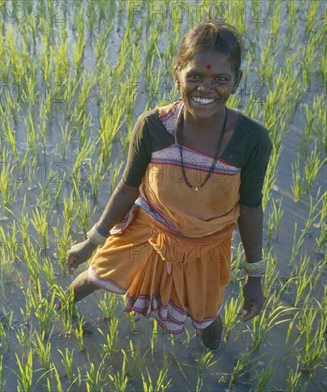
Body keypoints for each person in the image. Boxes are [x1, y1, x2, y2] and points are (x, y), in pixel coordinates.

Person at [66, 20, 271, 350]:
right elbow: (128, 188)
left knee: (206, 315)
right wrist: (91, 241)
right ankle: (58, 308)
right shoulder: (153, 127)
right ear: (178, 76)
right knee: (97, 275)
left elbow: (250, 209)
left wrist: (254, 278)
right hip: (149, 231)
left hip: (206, 246)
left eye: (221, 79)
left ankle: (212, 357)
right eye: (195, 77)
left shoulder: (252, 139)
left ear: (236, 82)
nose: (206, 88)